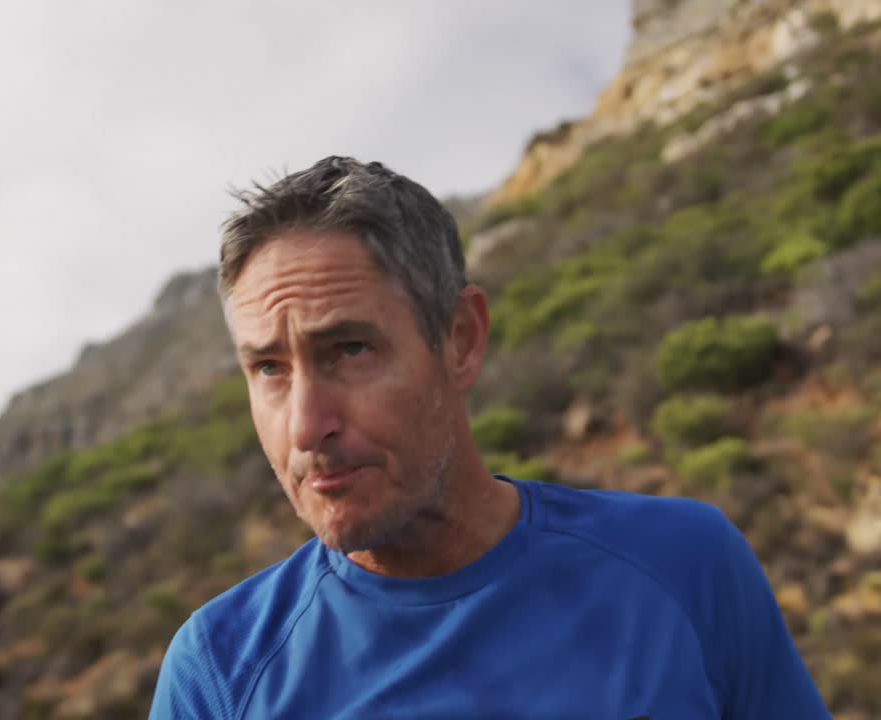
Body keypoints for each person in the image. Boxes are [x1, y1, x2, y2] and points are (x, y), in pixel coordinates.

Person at [147, 156, 830, 719]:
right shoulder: (219, 673)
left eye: (350, 350)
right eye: (269, 368)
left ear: (460, 340)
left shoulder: (686, 566)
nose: (304, 425)